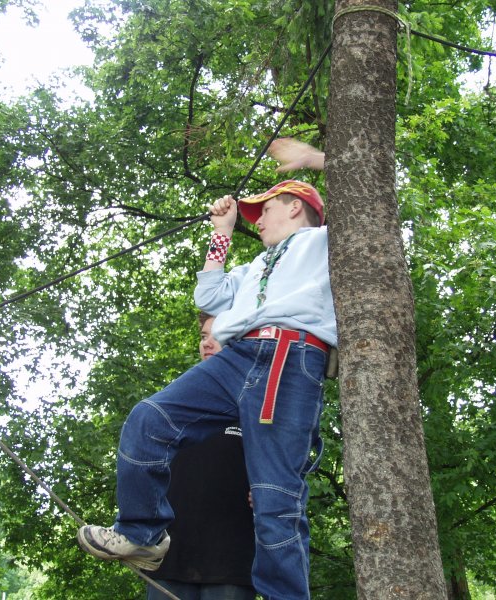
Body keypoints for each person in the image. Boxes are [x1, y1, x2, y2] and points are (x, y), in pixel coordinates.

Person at [78, 177, 335, 600]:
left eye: (264, 210)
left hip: (289, 357)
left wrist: (313, 160)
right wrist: (222, 233)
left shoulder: (322, 243)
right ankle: (142, 533)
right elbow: (210, 297)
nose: (258, 221)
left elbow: (366, 206)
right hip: (238, 355)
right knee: (150, 419)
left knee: (274, 500)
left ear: (294, 206)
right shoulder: (256, 266)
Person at [146, 313, 256, 600]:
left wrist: (270, 491)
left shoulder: (257, 403)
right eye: (204, 336)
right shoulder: (176, 402)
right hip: (170, 558)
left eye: (217, 336)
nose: (207, 343)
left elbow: (286, 469)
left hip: (231, 562)